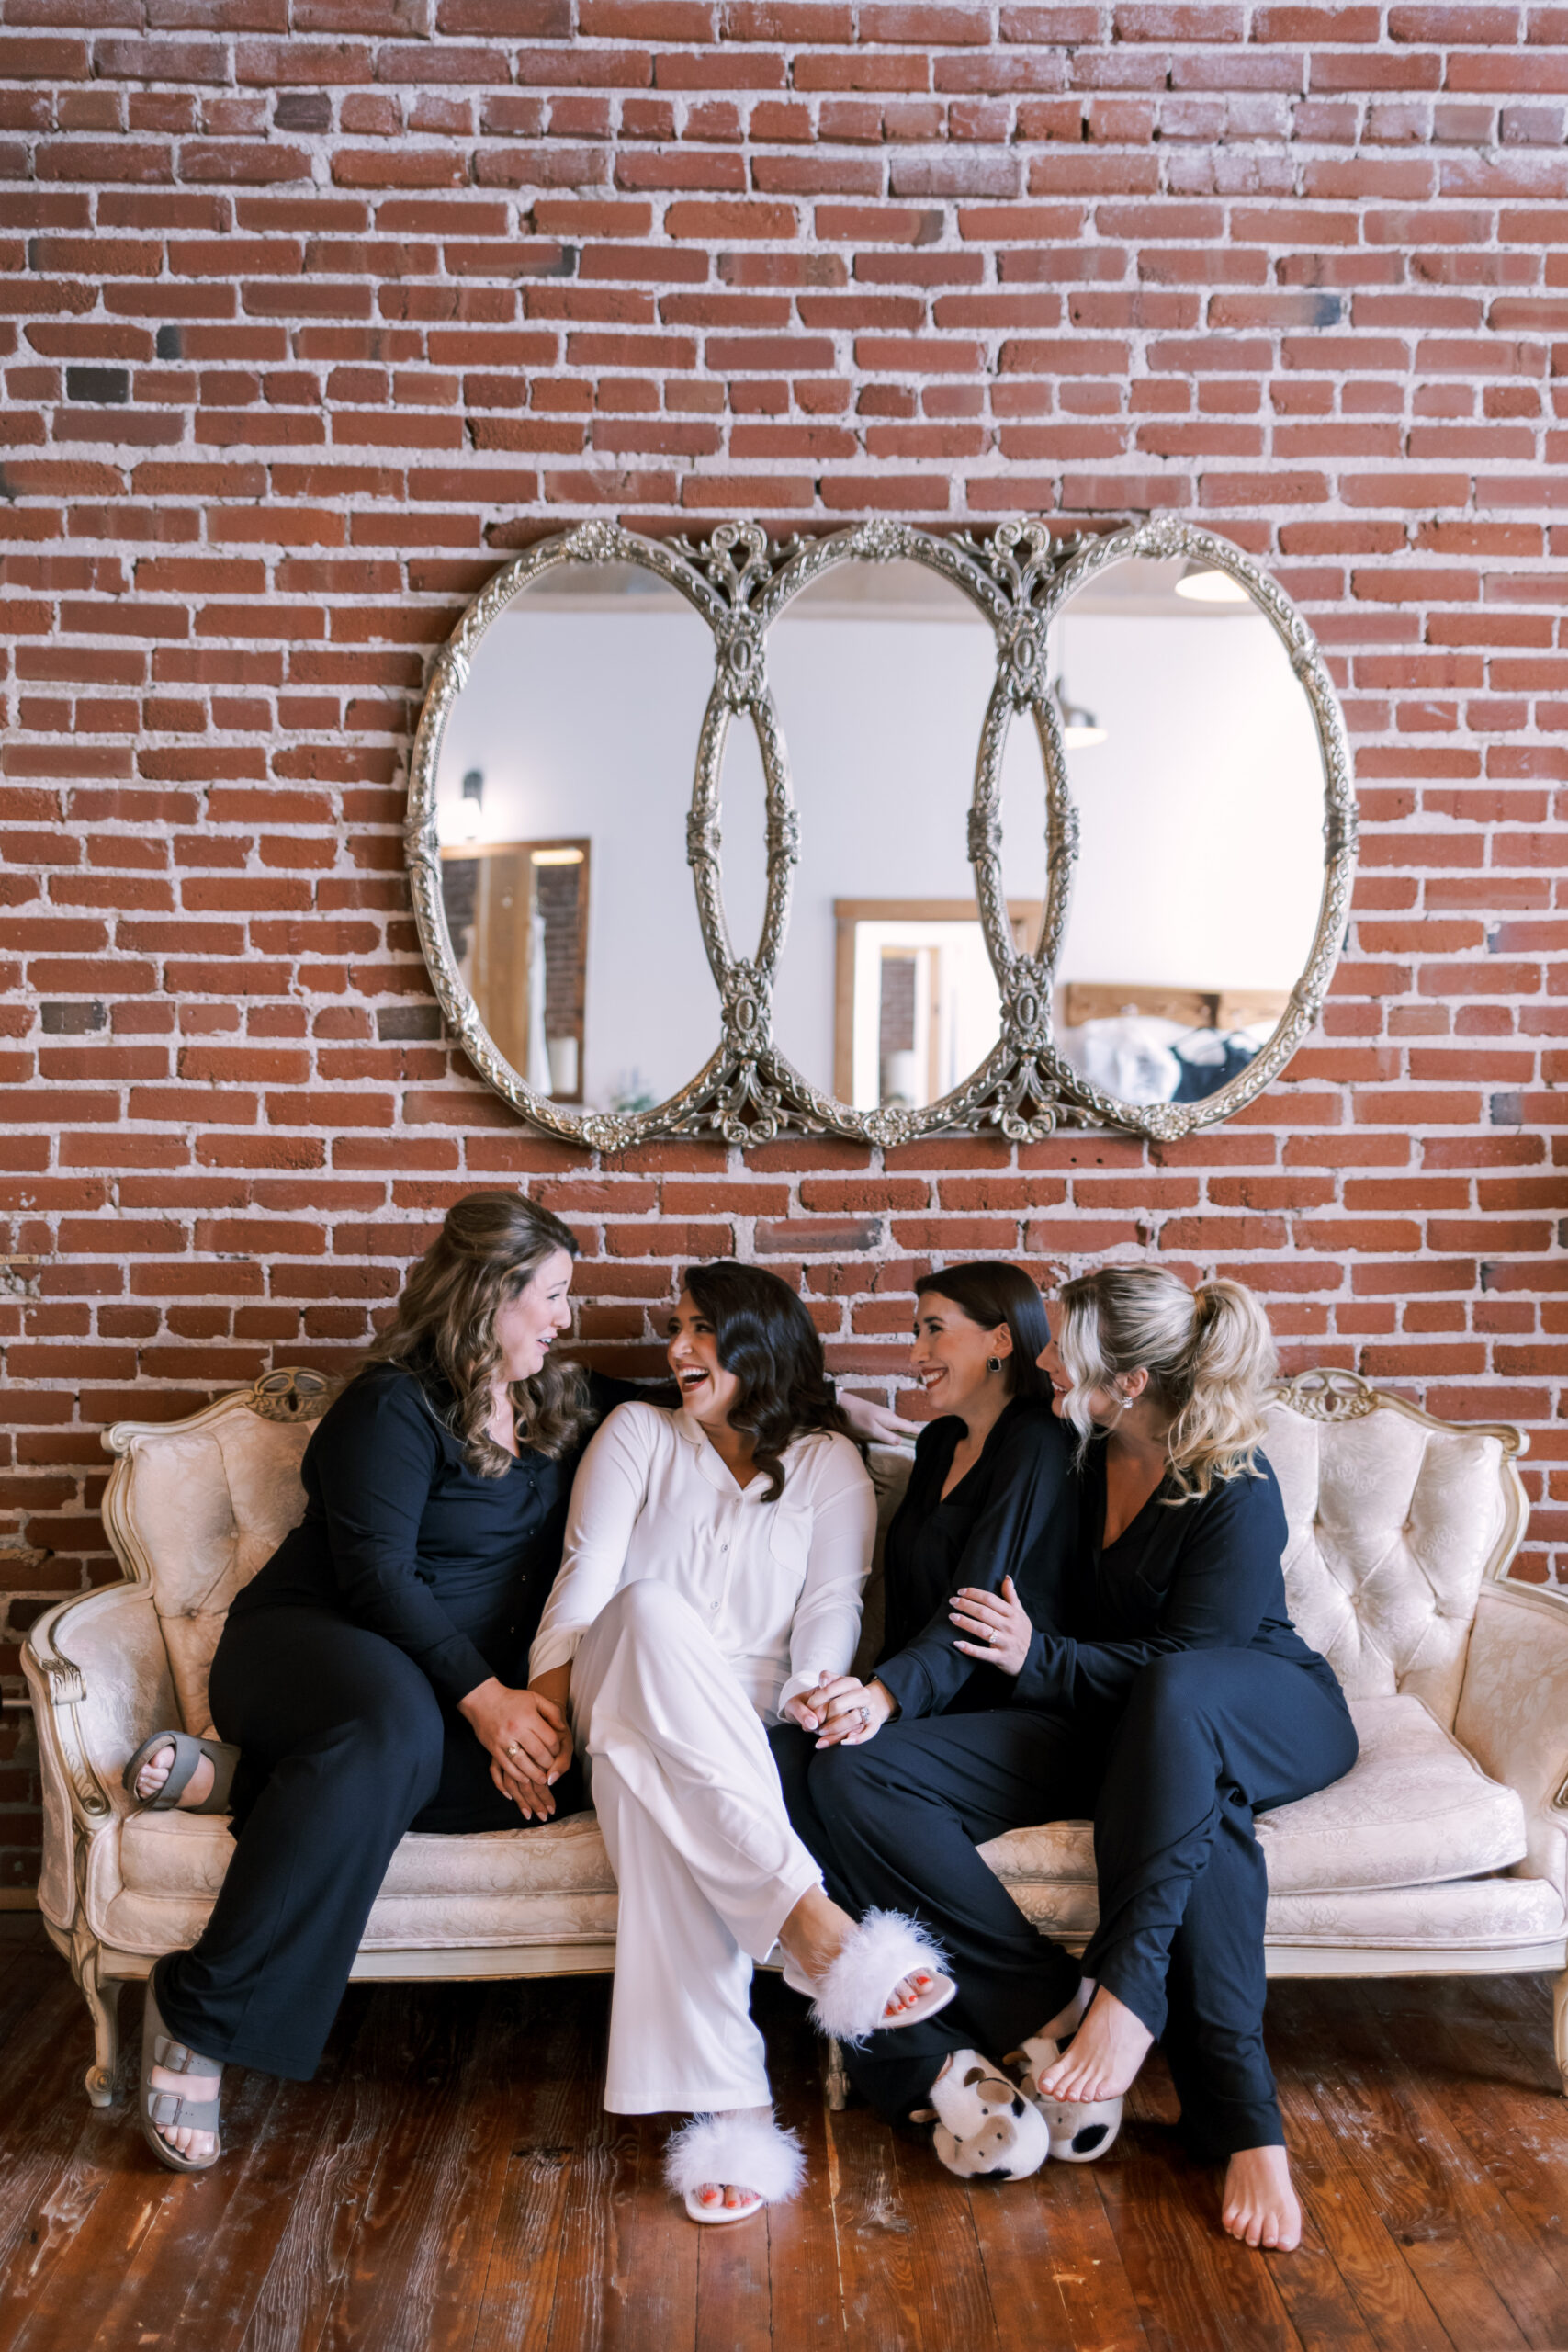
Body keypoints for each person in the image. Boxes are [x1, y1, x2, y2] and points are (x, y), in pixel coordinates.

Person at [122, 1193, 907, 2175]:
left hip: (427, 1690)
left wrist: (829, 1404)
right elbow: (377, 1577)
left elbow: (700, 1397)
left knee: (548, 1776)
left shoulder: (555, 1398)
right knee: (393, 1733)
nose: (566, 1319)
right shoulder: (392, 1405)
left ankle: (244, 1780)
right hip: (319, 1642)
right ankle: (198, 2010)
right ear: (494, 1296)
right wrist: (490, 1701)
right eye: (554, 1296)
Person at [780, 1264, 1357, 2251]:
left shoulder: (1233, 1482)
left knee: (1189, 1748)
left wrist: (1039, 1655)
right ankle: (1038, 2000)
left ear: (1127, 1381)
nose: (1047, 1362)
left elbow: (1190, 1660)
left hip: (1258, 1708)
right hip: (1111, 1721)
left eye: (1068, 1355)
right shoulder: (1081, 1458)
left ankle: (1193, 2066)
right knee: (850, 1771)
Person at [525, 1261, 955, 2228]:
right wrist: (540, 1712)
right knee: (647, 1608)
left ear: (761, 1343)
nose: (678, 1348)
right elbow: (586, 1579)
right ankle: (812, 1924)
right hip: (616, 1675)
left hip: (734, 1733)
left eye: (702, 1329)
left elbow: (832, 1607)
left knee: (660, 1799)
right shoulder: (637, 1433)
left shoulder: (827, 1462)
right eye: (678, 1328)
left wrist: (814, 1688)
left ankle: (736, 2111)